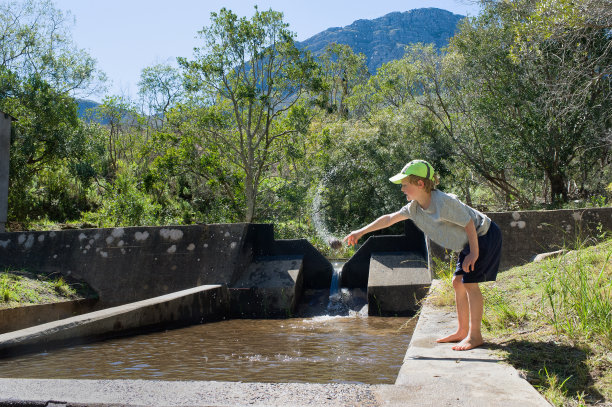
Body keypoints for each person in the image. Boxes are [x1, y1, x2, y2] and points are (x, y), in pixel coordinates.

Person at [343, 159, 502, 351]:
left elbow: (469, 223)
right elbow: (390, 219)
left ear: (420, 184)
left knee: (468, 283)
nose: (402, 189)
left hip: (483, 235)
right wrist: (360, 232)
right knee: (457, 282)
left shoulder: (442, 202)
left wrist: (474, 253)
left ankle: (475, 336)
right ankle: (462, 331)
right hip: (469, 242)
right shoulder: (415, 208)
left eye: (405, 185)